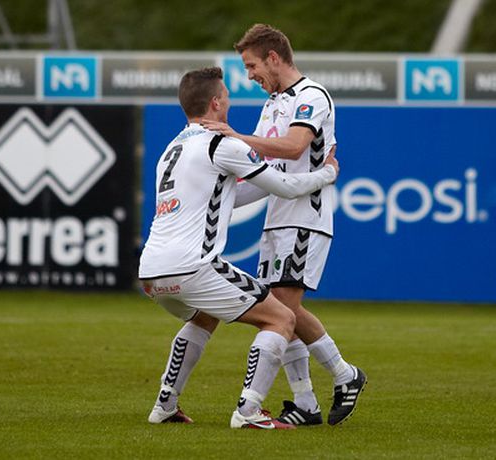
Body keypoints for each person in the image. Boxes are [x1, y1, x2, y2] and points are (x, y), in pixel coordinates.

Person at [139, 66, 340, 429]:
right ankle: (249, 411)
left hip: (152, 272)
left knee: (204, 316)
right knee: (281, 318)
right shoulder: (223, 144)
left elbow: (240, 194)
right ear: (216, 103)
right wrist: (327, 174)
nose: (230, 101)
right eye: (227, 96)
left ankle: (165, 404)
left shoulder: (172, 149)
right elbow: (284, 187)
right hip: (192, 266)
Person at [201, 24, 366, 426]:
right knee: (282, 312)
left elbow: (293, 147)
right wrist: (217, 203)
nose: (249, 76)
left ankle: (336, 380)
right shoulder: (273, 104)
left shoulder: (312, 96)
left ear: (273, 58)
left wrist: (236, 136)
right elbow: (264, 172)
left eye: (252, 66)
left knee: (280, 312)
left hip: (305, 219)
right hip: (277, 220)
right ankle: (313, 398)